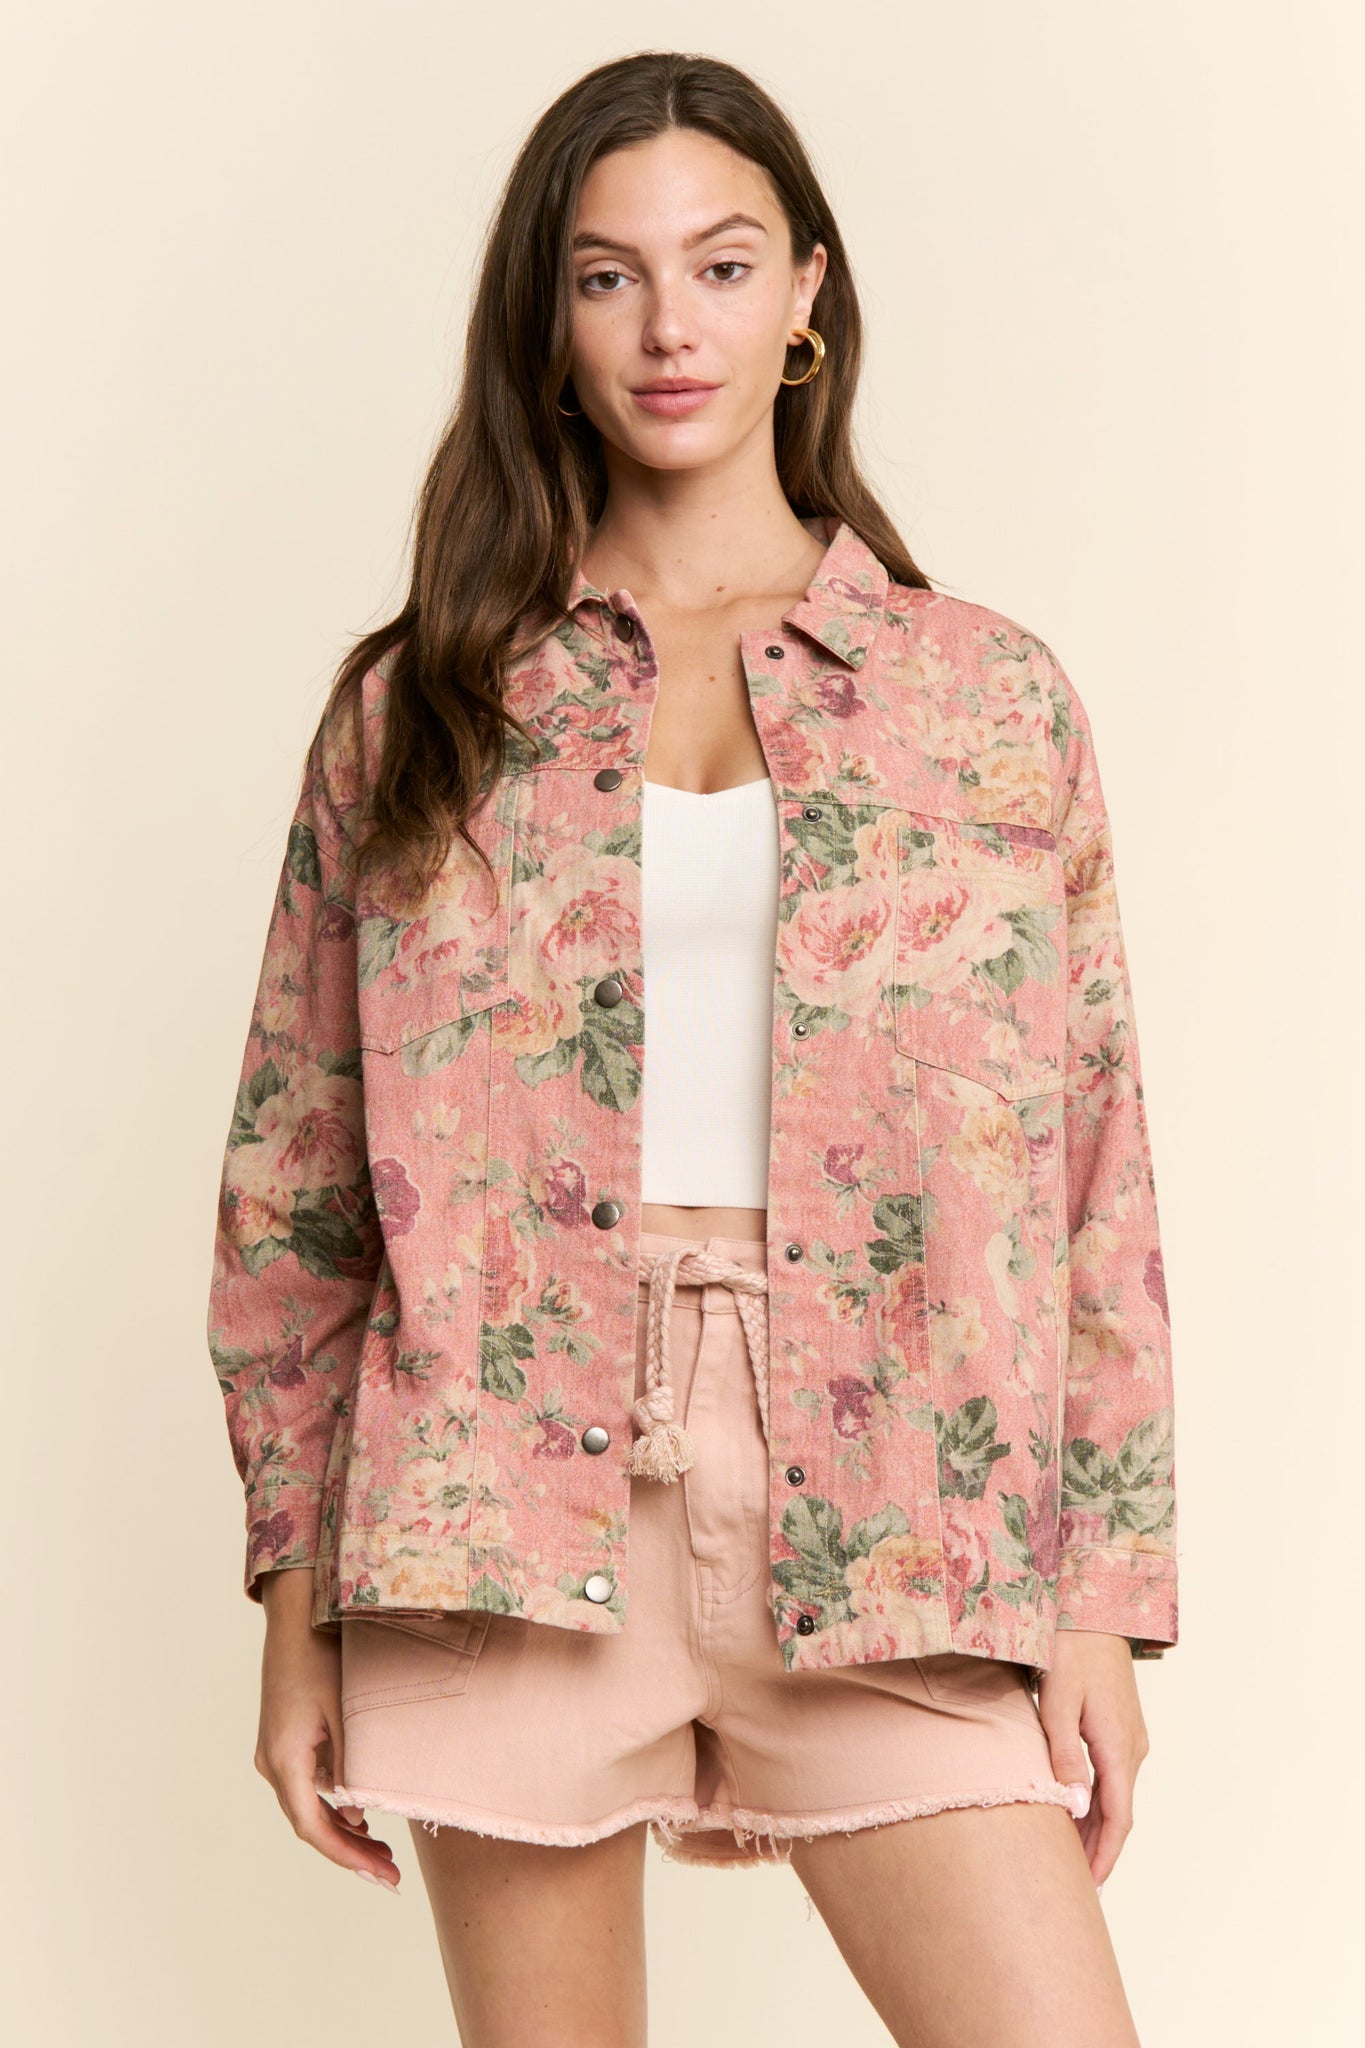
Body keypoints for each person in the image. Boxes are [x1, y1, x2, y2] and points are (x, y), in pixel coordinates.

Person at [207, 50, 1177, 2048]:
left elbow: (1094, 1182)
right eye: (607, 276)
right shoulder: (421, 711)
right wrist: (295, 1601)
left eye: (721, 266)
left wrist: (1094, 1595)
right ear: (547, 323)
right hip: (497, 1492)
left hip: (895, 1491)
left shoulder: (982, 702)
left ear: (803, 292)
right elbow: (293, 1185)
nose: (669, 327)